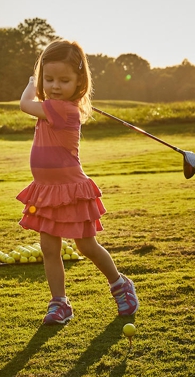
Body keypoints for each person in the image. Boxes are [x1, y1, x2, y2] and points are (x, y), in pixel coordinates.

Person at [17, 39, 139, 325]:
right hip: (46, 192)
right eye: (49, 79)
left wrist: (33, 81)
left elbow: (24, 104)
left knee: (86, 246)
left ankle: (121, 285)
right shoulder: (51, 106)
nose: (55, 86)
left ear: (79, 82)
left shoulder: (64, 110)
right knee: (49, 248)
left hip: (71, 191)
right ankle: (60, 303)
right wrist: (40, 83)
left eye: (64, 80)